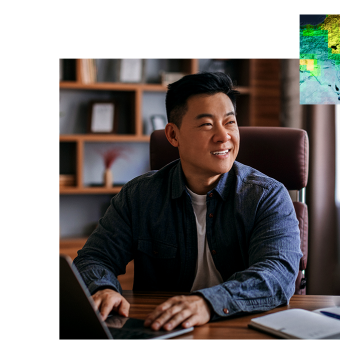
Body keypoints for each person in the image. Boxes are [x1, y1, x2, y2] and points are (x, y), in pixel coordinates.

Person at [73, 72, 303, 332]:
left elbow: (277, 275)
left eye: (230, 122)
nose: (223, 136)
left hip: (241, 328)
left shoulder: (267, 195)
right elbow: (93, 258)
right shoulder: (138, 196)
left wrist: (207, 303)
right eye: (206, 124)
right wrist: (102, 288)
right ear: (173, 135)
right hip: (162, 327)